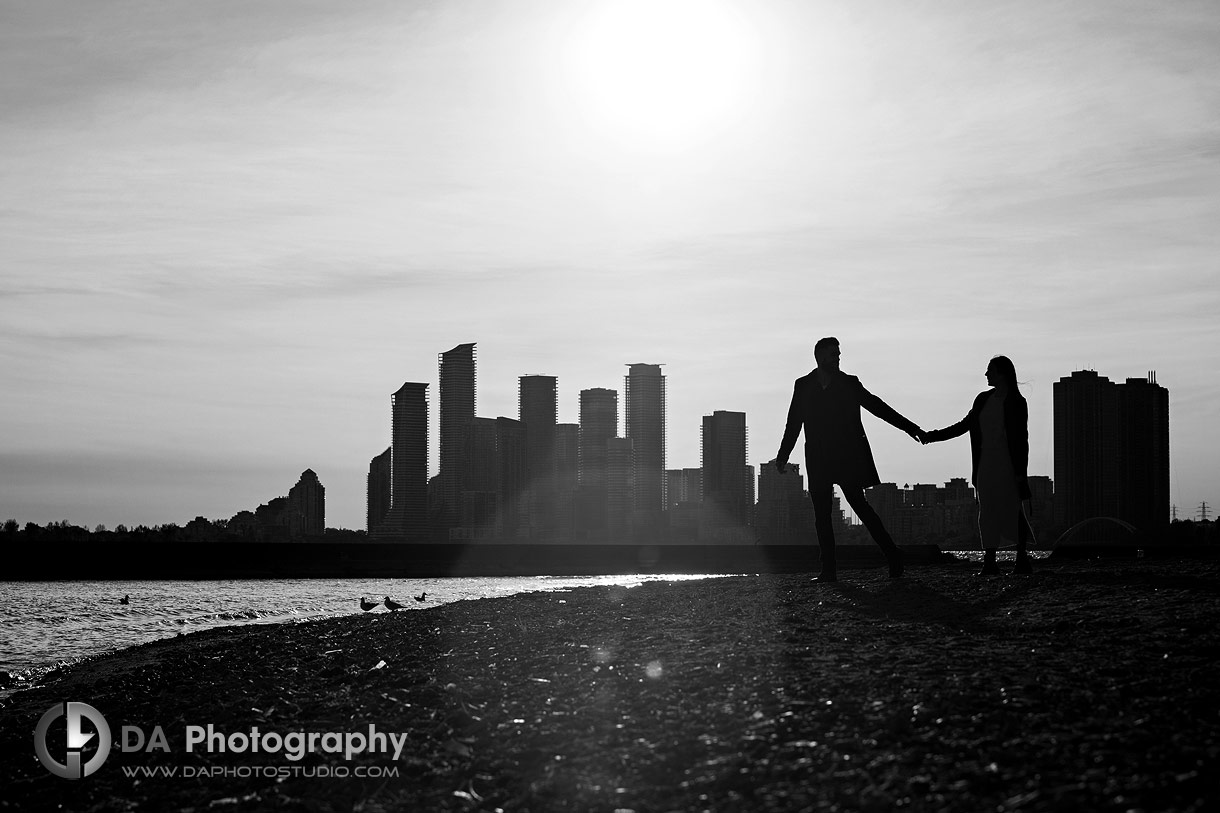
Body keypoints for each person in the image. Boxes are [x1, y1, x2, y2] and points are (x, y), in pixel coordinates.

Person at [776, 337, 925, 581]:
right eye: (834, 354)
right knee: (822, 516)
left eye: (838, 354)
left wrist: (911, 428)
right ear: (821, 357)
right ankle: (828, 570)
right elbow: (794, 422)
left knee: (861, 508)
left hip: (846, 458)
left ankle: (892, 554)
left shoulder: (849, 383)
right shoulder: (802, 385)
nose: (838, 358)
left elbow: (878, 407)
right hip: (817, 459)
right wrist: (783, 456)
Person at [923, 355, 1035, 575]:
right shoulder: (982, 400)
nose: (986, 374)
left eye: (990, 370)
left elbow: (1022, 440)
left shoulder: (1016, 402)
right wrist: (932, 436)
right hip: (985, 466)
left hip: (1008, 467)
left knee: (1013, 511)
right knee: (987, 513)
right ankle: (990, 561)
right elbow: (964, 425)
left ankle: (1021, 558)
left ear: (1001, 373)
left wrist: (1021, 473)